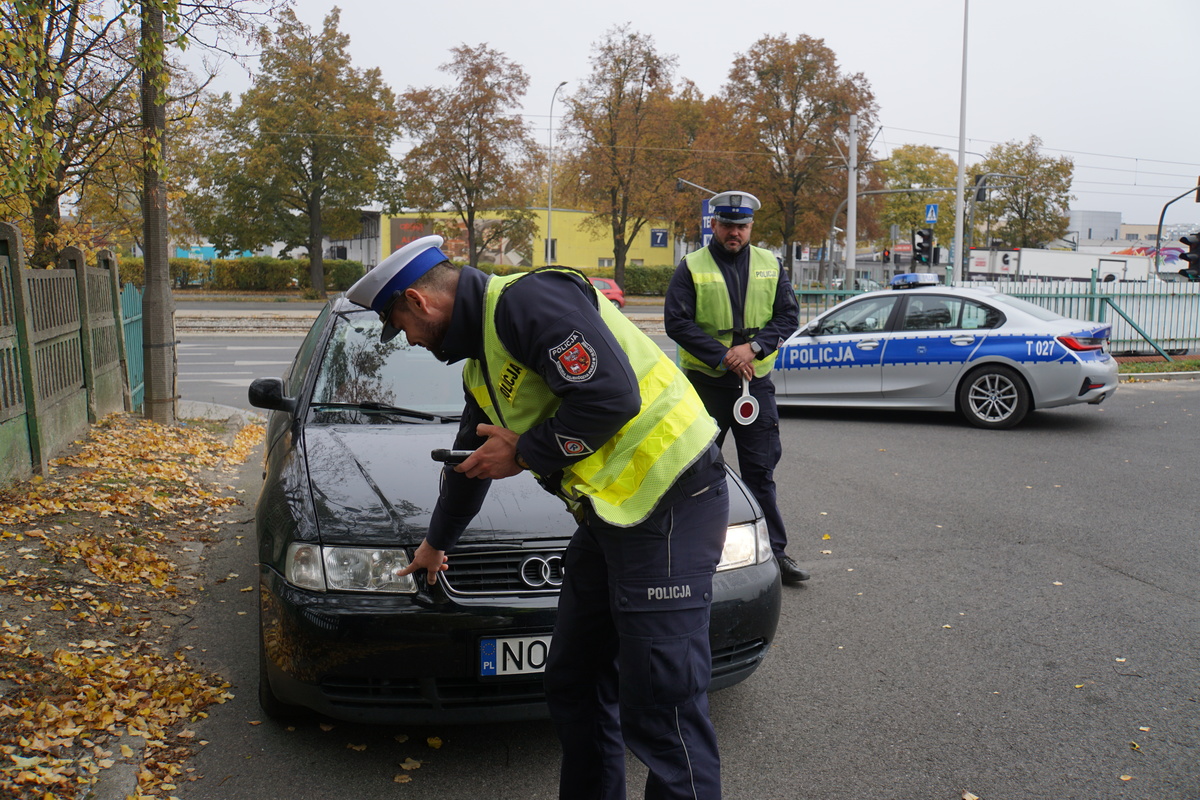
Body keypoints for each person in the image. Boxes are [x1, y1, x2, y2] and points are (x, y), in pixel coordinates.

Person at [347, 235, 728, 800]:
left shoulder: (527, 302)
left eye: (401, 326)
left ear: (419, 301)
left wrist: (525, 452)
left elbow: (611, 395)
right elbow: (469, 464)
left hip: (673, 504)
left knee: (661, 705)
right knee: (574, 683)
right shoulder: (481, 367)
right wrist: (435, 542)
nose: (409, 339)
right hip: (611, 519)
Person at [664, 190, 810, 585]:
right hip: (706, 385)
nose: (735, 233)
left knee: (760, 472)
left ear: (751, 228)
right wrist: (723, 354)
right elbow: (677, 323)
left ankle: (775, 555)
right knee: (693, 470)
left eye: (742, 226)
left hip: (754, 384)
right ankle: (688, 553)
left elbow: (787, 316)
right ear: (713, 224)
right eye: (728, 225)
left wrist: (754, 348)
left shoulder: (770, 264)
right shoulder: (691, 266)